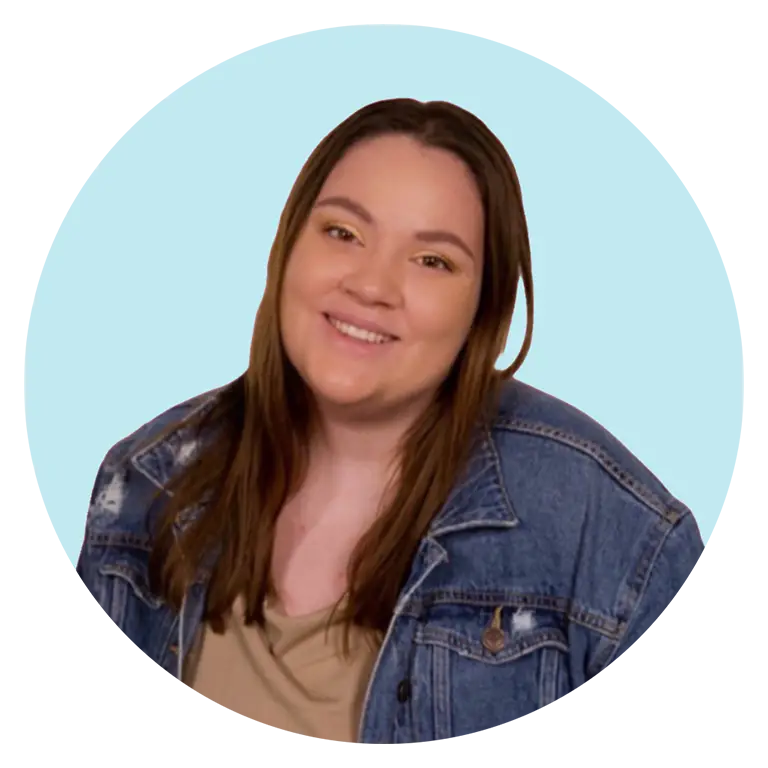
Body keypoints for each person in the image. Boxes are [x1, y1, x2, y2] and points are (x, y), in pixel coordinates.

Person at [73, 98, 704, 744]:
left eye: (433, 261)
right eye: (343, 233)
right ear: (288, 248)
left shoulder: (610, 532)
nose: (372, 285)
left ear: (484, 311)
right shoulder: (145, 484)